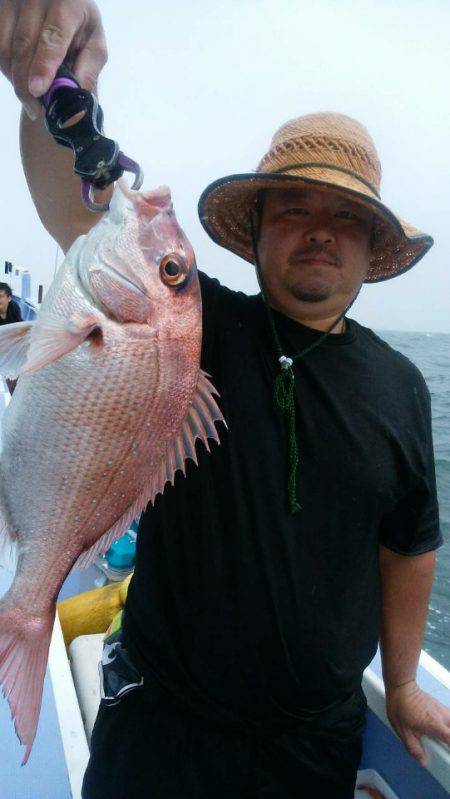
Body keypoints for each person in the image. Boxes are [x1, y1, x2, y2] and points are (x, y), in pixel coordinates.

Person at [1, 3, 450, 797]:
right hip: (161, 719)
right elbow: (73, 210)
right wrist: (49, 91)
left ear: (370, 246)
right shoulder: (192, 326)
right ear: (259, 230)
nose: (320, 230)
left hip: (313, 746)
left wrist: (406, 682)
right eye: (296, 207)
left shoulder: (402, 387)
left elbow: (408, 545)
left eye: (346, 216)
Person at [0, 281, 22, 393]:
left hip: (14, 346)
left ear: (9, 298)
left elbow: (20, 325)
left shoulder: (14, 307)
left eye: (1, 296)